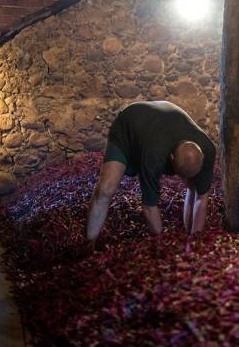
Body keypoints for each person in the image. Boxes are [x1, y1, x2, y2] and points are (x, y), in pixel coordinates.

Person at [86, 101, 216, 245]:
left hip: (159, 123)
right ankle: (89, 243)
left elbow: (201, 197)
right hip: (130, 124)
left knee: (193, 186)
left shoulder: (208, 149)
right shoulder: (154, 155)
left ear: (202, 157)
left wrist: (195, 243)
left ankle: (190, 237)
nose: (183, 180)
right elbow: (149, 207)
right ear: (171, 158)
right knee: (105, 189)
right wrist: (162, 247)